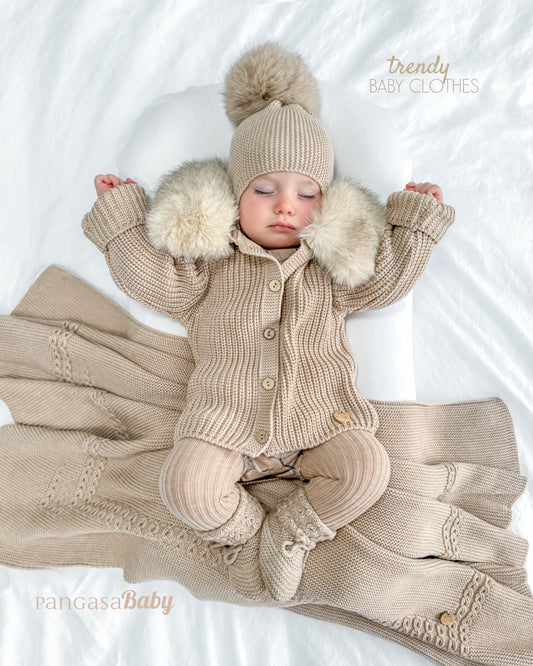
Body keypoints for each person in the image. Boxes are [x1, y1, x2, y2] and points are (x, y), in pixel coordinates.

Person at [83, 42, 454, 603]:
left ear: (325, 204)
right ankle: (247, 535)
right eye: (264, 190)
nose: (285, 206)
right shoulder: (209, 264)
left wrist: (414, 223)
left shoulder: (330, 266)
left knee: (367, 470)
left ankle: (290, 534)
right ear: (234, 197)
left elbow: (386, 283)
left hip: (318, 418)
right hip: (225, 421)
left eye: (306, 193)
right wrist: (122, 220)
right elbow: (151, 280)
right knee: (184, 488)